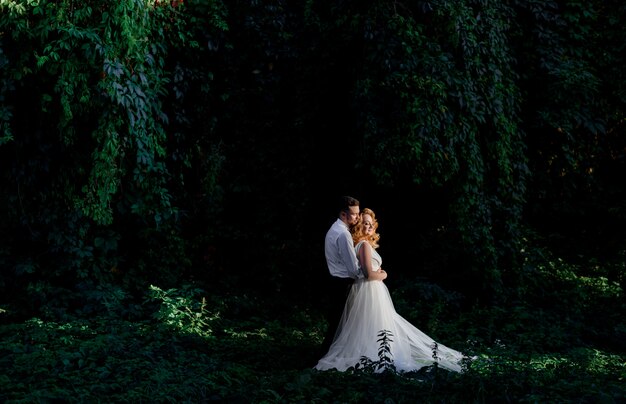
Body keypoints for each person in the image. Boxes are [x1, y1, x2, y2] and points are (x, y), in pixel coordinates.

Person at [315, 208, 466, 373]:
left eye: (371, 224)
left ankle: (377, 353)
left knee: (372, 324)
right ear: (358, 226)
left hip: (370, 290)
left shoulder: (363, 245)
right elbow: (368, 274)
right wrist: (384, 274)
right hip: (369, 290)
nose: (369, 226)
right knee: (372, 323)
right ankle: (373, 356)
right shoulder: (363, 245)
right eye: (365, 223)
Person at [320, 197, 390, 355]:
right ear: (343, 214)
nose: (357, 218)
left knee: (340, 325)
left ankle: (328, 354)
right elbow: (354, 270)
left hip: (337, 281)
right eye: (355, 215)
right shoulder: (343, 235)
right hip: (344, 283)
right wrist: (379, 273)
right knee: (342, 326)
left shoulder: (334, 229)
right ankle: (327, 356)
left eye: (359, 214)